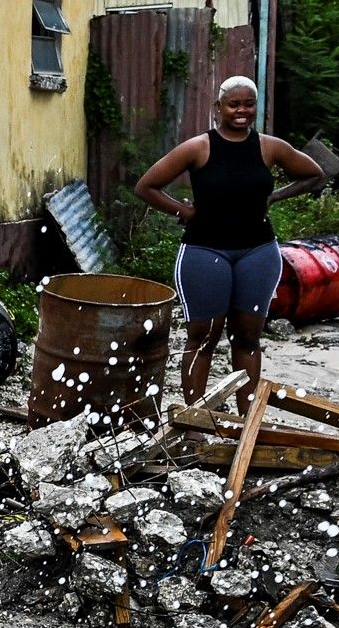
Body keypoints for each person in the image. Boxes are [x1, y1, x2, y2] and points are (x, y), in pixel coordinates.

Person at [134, 76, 325, 402]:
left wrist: (275, 197)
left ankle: (245, 422)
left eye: (248, 103)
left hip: (258, 252)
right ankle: (194, 424)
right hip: (204, 252)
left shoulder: (269, 147)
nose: (241, 110)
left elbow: (314, 174)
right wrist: (183, 211)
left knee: (248, 338)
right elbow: (146, 186)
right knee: (202, 337)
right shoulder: (199, 148)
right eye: (233, 104)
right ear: (218, 107)